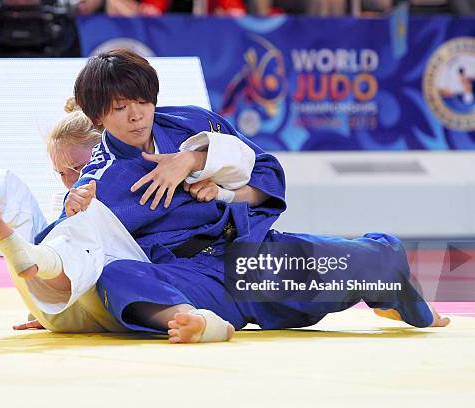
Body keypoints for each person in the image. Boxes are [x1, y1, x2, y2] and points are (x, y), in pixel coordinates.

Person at [37, 48, 450, 338]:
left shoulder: (190, 124)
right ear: (97, 116)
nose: (136, 114)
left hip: (250, 258)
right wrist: (55, 306)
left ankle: (397, 299)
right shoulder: (100, 176)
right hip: (191, 283)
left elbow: (266, 174)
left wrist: (198, 165)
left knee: (375, 258)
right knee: (117, 277)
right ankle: (187, 321)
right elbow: (59, 249)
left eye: (142, 101)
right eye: (120, 107)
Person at [0, 98, 257, 342]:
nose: (70, 180)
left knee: (89, 226)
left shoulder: (146, 174)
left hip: (136, 285)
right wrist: (44, 299)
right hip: (67, 289)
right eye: (61, 172)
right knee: (13, 193)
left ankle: (26, 255)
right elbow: (63, 237)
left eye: (79, 168)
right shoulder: (66, 197)